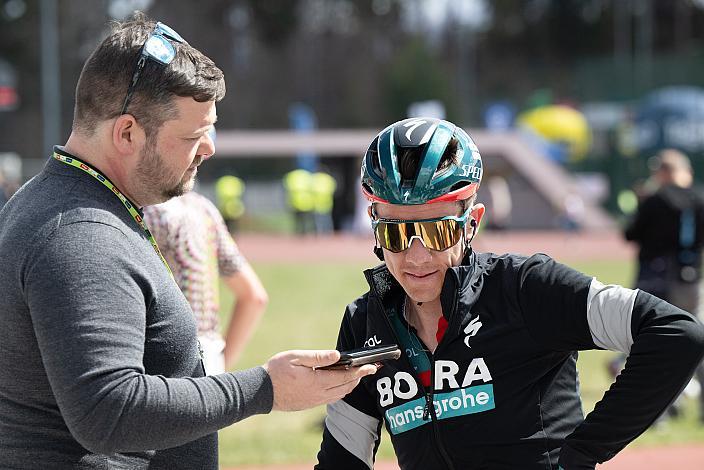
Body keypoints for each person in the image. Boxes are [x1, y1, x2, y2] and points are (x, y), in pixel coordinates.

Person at [0, 14, 377, 469]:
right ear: (126, 133)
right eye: (195, 135)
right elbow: (107, 411)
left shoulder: (58, 202)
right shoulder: (81, 235)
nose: (209, 148)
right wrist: (265, 388)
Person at [315, 118, 704, 469]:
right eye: (396, 233)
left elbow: (675, 333)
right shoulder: (365, 321)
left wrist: (584, 450)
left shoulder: (524, 287)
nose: (416, 256)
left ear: (472, 223)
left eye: (437, 231)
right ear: (374, 227)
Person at [143, 190, 268, 373]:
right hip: (210, 354)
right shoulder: (203, 208)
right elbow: (254, 297)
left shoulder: (145, 212)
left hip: (164, 358)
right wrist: (220, 365)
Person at [624, 148, 704, 421]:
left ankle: (662, 412)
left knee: (657, 342)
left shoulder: (655, 200)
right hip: (691, 278)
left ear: (664, 172)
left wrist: (640, 203)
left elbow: (631, 234)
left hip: (656, 279)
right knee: (696, 337)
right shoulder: (699, 198)